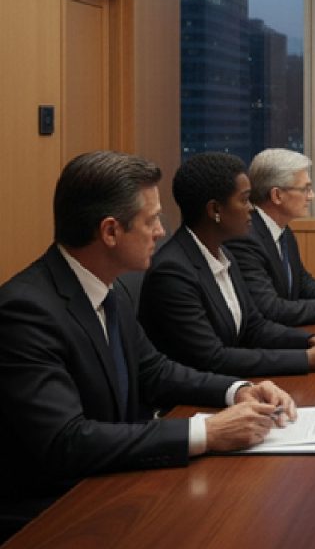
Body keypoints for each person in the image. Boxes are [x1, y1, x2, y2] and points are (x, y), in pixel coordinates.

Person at [0, 151, 297, 538]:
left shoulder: (111, 289)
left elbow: (155, 370)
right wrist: (206, 433)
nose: (161, 231)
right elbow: (66, 440)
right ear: (109, 231)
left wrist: (237, 390)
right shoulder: (26, 310)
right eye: (151, 219)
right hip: (53, 514)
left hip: (113, 482)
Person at [140, 152, 315, 377]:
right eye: (244, 200)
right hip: (189, 402)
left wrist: (311, 340)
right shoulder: (173, 272)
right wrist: (307, 359)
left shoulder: (223, 255)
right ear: (215, 210)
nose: (252, 208)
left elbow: (255, 326)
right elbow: (213, 358)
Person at [225, 149, 315, 326]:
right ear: (277, 195)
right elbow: (269, 308)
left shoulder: (282, 230)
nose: (312, 196)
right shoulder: (245, 238)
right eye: (305, 189)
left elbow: (302, 282)